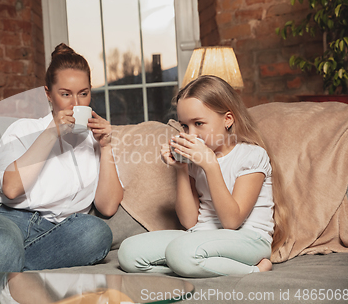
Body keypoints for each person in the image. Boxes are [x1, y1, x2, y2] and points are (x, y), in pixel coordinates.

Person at [0, 43, 124, 272]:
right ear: (48, 94)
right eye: (65, 94)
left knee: (96, 232)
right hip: (4, 219)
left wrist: (106, 147)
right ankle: (1, 258)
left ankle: (0, 265)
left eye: (83, 94)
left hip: (53, 234)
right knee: (3, 244)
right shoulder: (23, 129)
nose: (76, 104)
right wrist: (51, 133)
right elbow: (11, 189)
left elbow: (107, 207)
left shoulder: (93, 142)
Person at [117, 75, 288, 278]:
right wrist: (181, 168)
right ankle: (191, 264)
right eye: (185, 126)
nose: (191, 134)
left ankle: (254, 270)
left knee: (180, 252)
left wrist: (210, 165)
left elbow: (232, 222)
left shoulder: (251, 155)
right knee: (129, 253)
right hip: (199, 237)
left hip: (248, 239)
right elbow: (189, 222)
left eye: (199, 123)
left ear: (228, 119)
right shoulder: (195, 160)